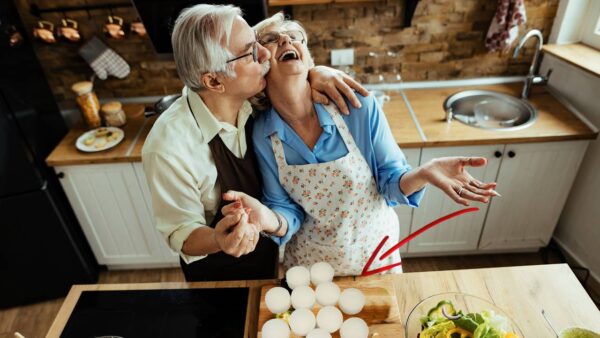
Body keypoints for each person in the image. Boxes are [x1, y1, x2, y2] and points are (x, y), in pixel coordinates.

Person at [222, 13, 500, 276]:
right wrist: (266, 219)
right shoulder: (262, 134)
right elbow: (285, 209)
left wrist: (425, 172)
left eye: (295, 37)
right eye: (271, 39)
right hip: (311, 268)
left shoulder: (356, 106)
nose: (286, 41)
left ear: (308, 59)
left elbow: (390, 182)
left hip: (375, 257)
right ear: (259, 63)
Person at [141, 4, 369, 281]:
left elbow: (290, 74)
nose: (264, 55)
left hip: (270, 252)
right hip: (217, 273)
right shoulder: (168, 147)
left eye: (257, 42)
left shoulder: (255, 97)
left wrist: (316, 72)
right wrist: (219, 238)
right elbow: (181, 233)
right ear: (214, 81)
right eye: (251, 52)